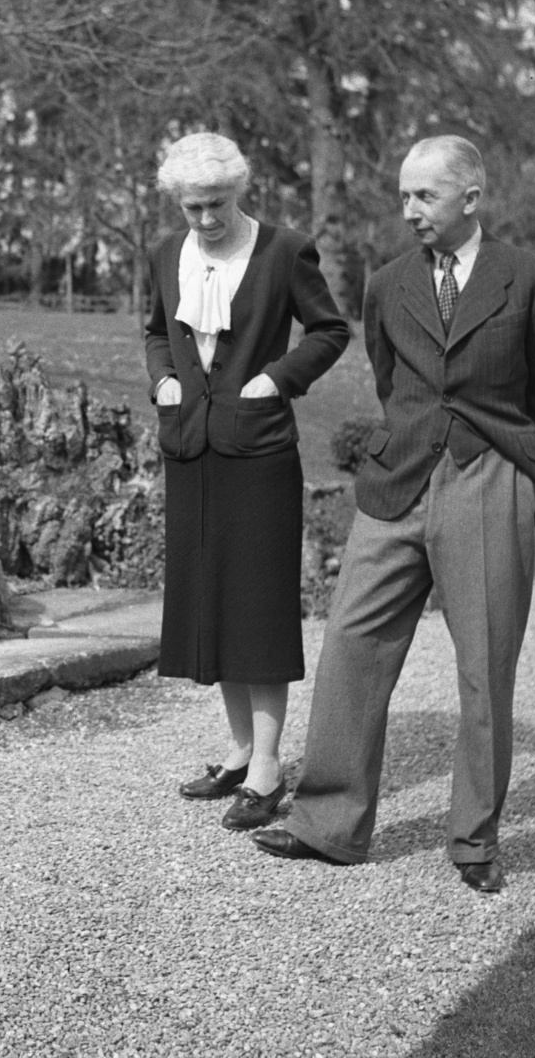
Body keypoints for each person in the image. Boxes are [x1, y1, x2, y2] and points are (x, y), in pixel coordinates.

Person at [253, 135, 535, 892]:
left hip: (490, 474)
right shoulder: (388, 281)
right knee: (351, 641)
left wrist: (520, 474)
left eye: (424, 197)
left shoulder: (533, 281)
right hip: (397, 480)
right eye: (403, 196)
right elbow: (394, 380)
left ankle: (473, 842)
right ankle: (329, 824)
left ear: (471, 198)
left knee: (484, 664)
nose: (409, 212)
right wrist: (409, 446)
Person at [146, 132, 350, 831]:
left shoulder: (283, 251)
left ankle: (267, 767)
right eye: (193, 206)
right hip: (191, 450)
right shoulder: (164, 254)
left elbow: (329, 330)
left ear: (240, 194)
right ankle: (238, 753)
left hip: (260, 450)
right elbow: (153, 332)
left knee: (258, 608)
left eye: (218, 205)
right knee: (211, 601)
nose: (205, 220)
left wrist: (275, 378)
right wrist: (164, 380)